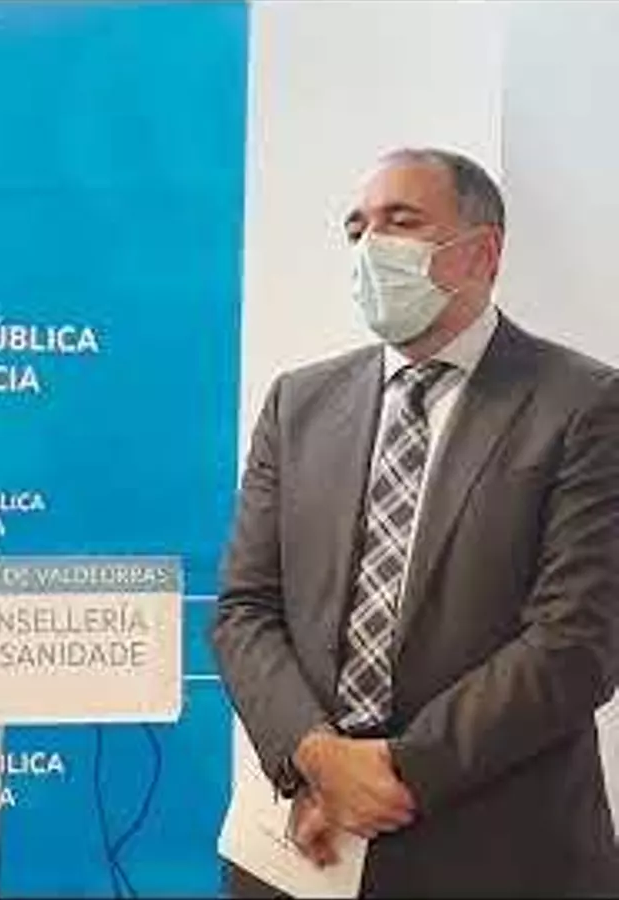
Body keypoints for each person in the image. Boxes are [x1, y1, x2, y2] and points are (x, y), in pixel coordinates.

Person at [211, 146, 619, 897]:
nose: (372, 247)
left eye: (401, 222)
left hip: (500, 849)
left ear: (483, 253)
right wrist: (316, 756)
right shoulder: (298, 404)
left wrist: (396, 772)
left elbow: (577, 639)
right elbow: (245, 610)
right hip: (305, 840)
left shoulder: (585, 405)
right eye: (357, 228)